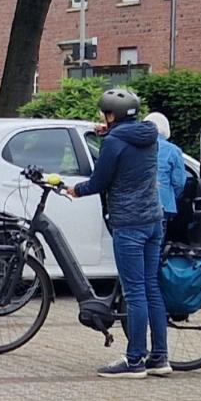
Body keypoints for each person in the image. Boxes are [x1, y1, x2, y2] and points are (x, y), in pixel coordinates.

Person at [66, 88, 168, 378]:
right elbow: (126, 145)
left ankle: (135, 360)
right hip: (152, 221)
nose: (101, 117)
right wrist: (107, 134)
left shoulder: (114, 141)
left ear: (112, 115)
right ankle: (160, 358)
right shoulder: (149, 136)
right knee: (151, 288)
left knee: (134, 292)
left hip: (129, 224)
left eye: (104, 113)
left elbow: (100, 180)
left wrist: (76, 189)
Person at [148, 111, 191, 241]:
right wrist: (172, 197)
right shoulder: (173, 151)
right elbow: (179, 182)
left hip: (136, 205)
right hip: (162, 204)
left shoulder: (135, 146)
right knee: (156, 246)